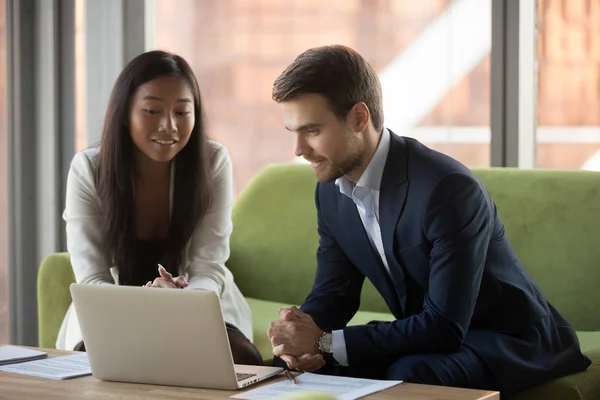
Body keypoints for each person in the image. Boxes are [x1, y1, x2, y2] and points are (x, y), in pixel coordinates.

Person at [266, 44, 590, 395]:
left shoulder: (446, 189)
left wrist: (325, 342)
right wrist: (299, 337)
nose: (298, 149)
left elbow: (444, 327)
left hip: (508, 340)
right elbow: (335, 293)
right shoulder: (330, 190)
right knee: (285, 367)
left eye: (312, 130)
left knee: (410, 372)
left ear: (360, 118)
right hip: (433, 337)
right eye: (293, 132)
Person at [56, 50, 263, 366]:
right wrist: (147, 304)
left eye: (182, 112)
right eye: (152, 110)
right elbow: (91, 278)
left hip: (197, 296)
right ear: (126, 113)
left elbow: (209, 265)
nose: (169, 126)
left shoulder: (213, 161)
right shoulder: (89, 169)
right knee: (102, 364)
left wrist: (178, 303)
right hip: (111, 304)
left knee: (242, 360)